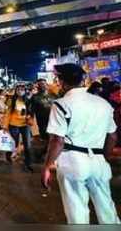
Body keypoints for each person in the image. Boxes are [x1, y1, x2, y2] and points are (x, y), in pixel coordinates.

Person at [42, 63, 120, 224]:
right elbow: (112, 137)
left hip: (72, 162)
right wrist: (101, 158)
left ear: (62, 81)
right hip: (98, 162)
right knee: (107, 209)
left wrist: (47, 165)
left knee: (77, 210)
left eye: (57, 79)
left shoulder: (61, 104)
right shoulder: (103, 104)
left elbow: (57, 140)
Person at [4, 84, 33, 172]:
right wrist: (5, 125)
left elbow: (31, 112)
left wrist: (29, 117)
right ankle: (8, 155)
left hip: (25, 125)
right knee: (14, 143)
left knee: (27, 145)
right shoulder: (12, 100)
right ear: (16, 91)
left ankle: (28, 163)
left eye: (22, 89)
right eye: (18, 89)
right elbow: (8, 114)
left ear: (25, 91)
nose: (20, 91)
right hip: (14, 125)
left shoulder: (28, 101)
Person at [29, 79, 57, 160]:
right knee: (47, 138)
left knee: (52, 139)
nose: (43, 85)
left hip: (54, 121)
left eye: (44, 84)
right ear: (38, 86)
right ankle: (42, 154)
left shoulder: (53, 95)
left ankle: (44, 154)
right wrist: (30, 118)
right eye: (41, 84)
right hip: (42, 122)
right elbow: (31, 109)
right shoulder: (35, 97)